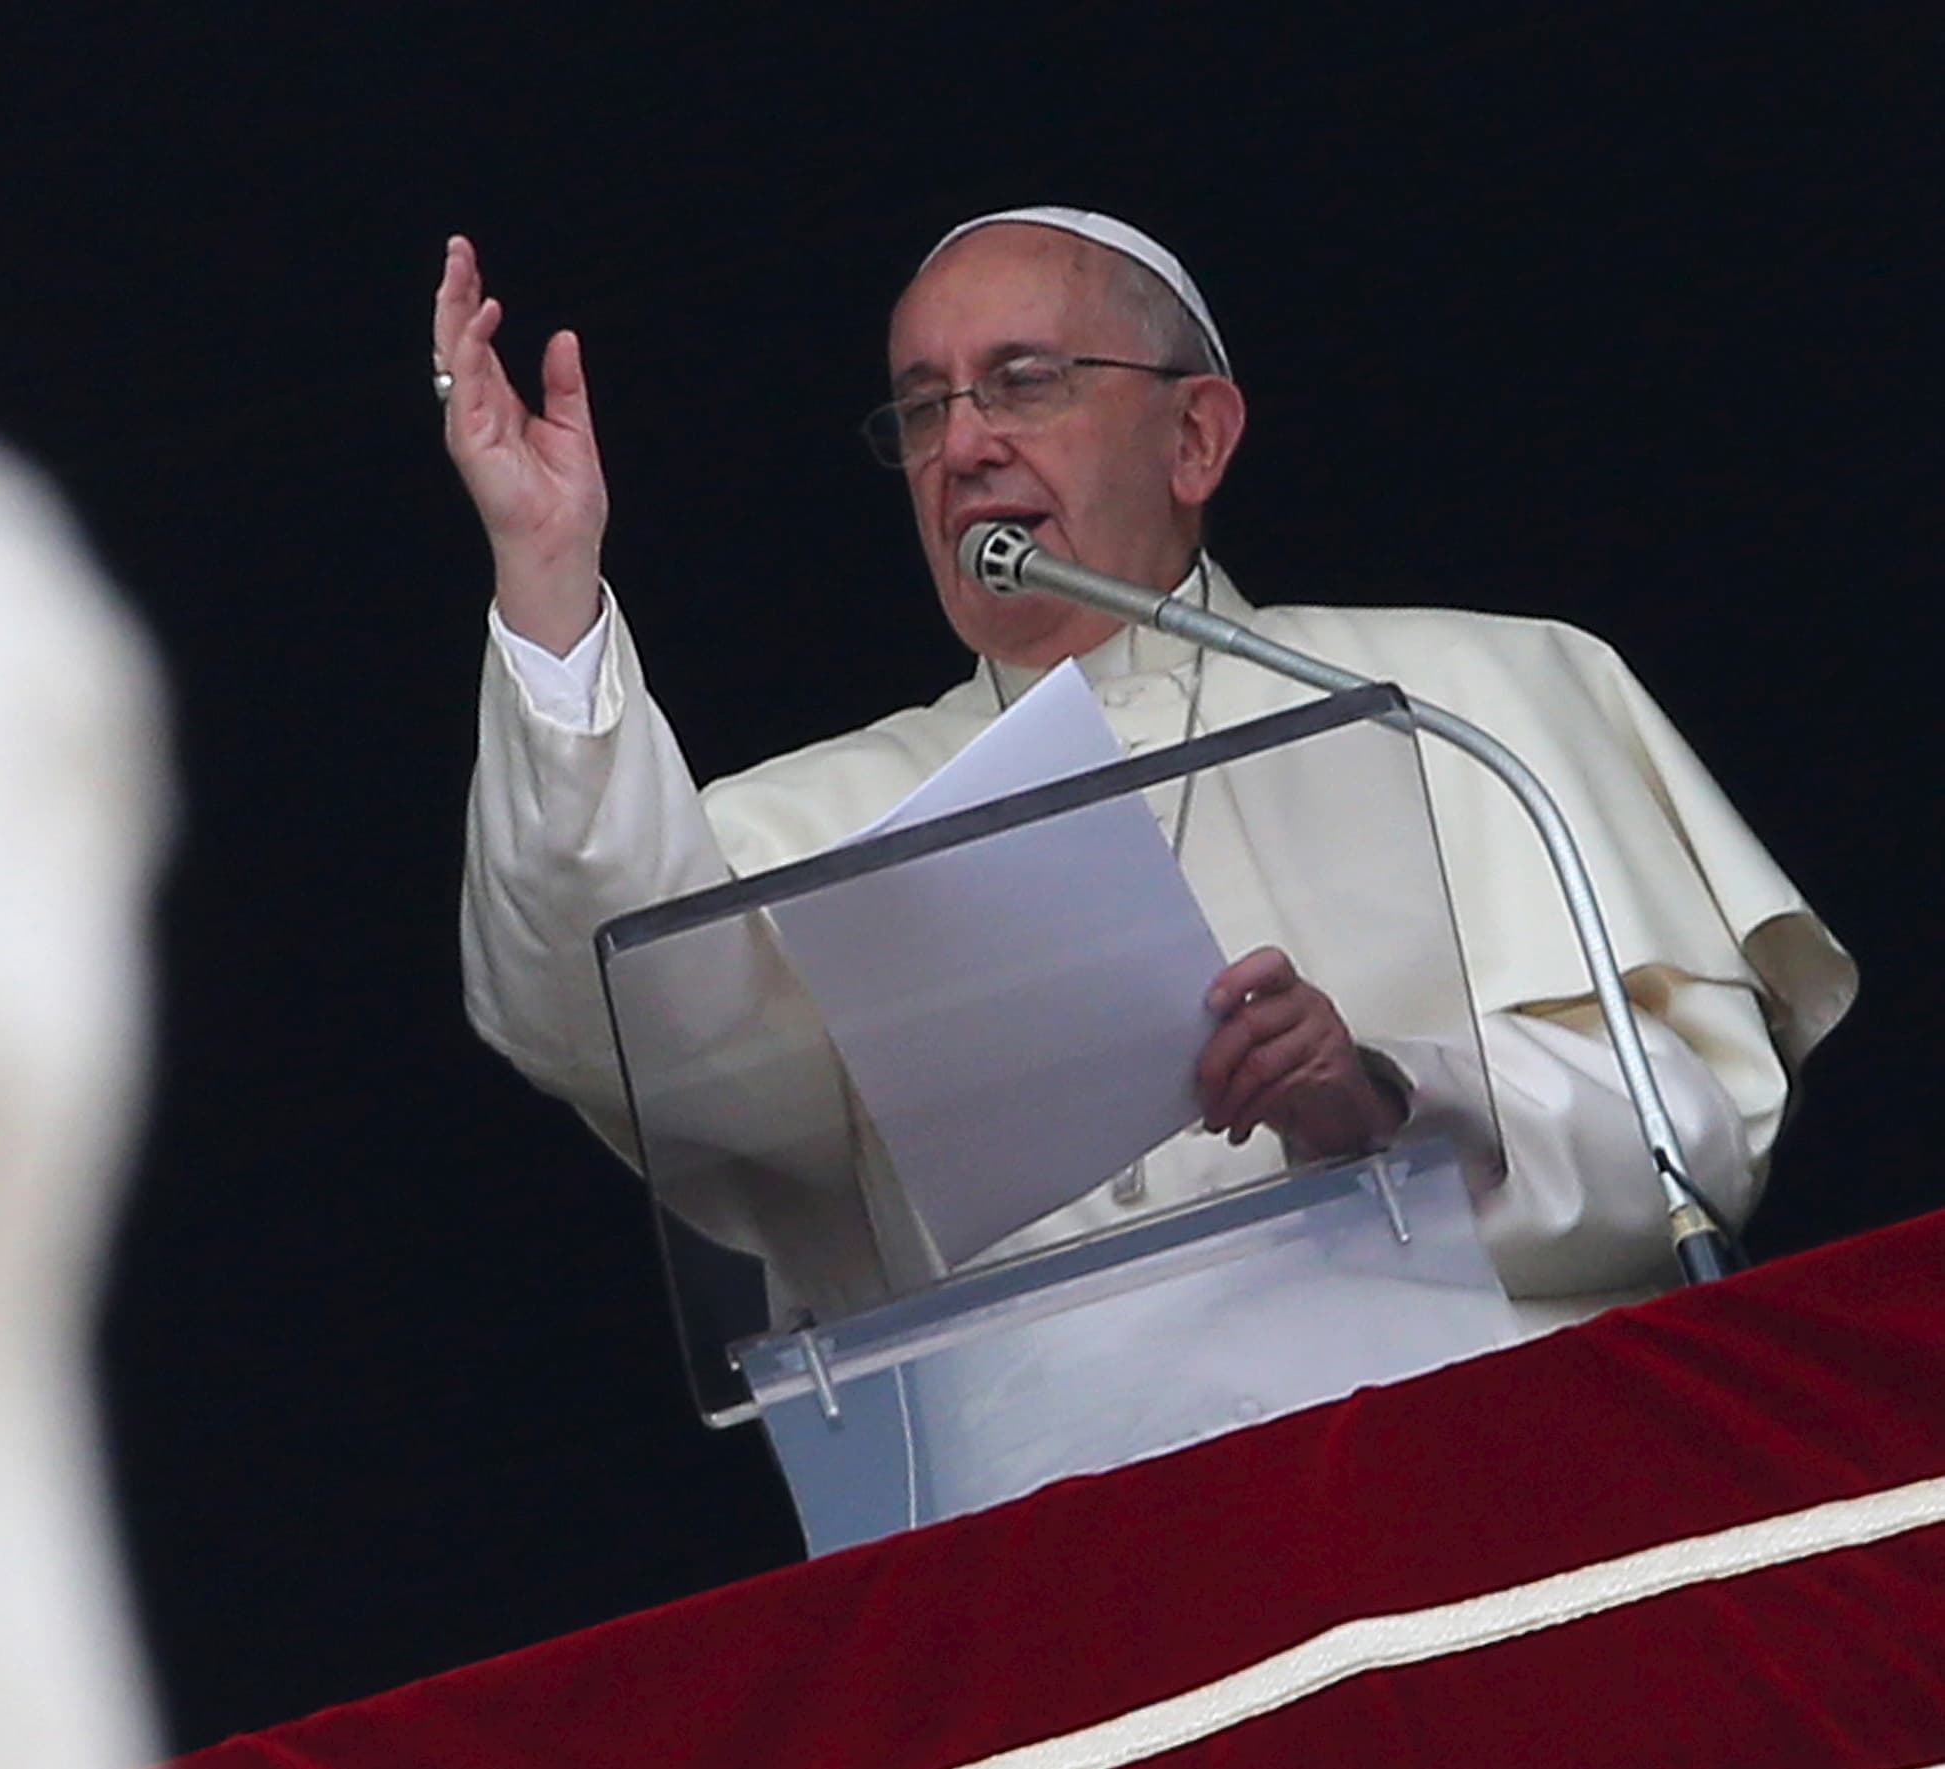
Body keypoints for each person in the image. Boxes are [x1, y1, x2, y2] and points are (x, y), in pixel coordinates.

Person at [442, 209, 1854, 1475]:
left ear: (1196, 439)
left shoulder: (1475, 694)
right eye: (923, 408)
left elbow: (1694, 1135)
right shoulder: (814, 817)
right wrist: (552, 582)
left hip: (1469, 1476)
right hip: (1058, 1572)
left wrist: (1385, 1095)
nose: (966, 443)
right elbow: (597, 1011)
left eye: (1025, 380)